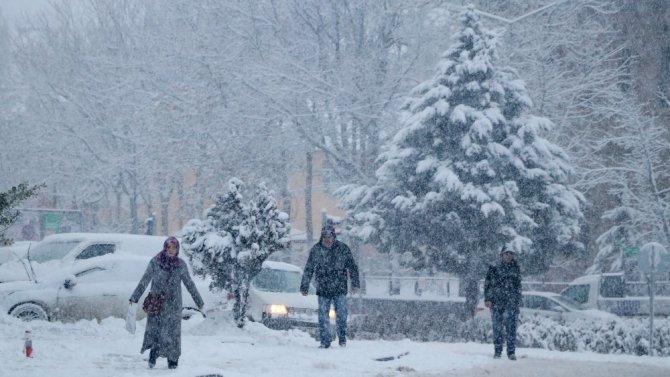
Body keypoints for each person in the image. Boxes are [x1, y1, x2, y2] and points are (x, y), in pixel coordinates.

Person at [129, 236, 204, 369]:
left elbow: (189, 284)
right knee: (155, 331)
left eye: (174, 247)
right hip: (157, 304)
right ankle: (153, 354)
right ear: (164, 248)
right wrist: (135, 297)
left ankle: (173, 360)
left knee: (173, 334)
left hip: (174, 306)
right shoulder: (155, 262)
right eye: (168, 247)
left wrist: (199, 301)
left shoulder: (181, 265)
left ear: (177, 249)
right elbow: (144, 280)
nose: (171, 250)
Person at [300, 224, 360, 348]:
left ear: (334, 237)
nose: (328, 239)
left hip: (340, 288)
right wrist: (304, 286)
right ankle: (325, 340)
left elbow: (352, 267)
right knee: (323, 316)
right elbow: (309, 268)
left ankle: (342, 336)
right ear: (322, 237)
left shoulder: (343, 248)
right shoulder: (316, 250)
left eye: (330, 236)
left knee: (342, 314)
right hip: (323, 288)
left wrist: (355, 284)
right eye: (325, 237)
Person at [484, 246, 522, 360]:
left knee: (511, 328)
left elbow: (518, 286)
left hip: (511, 302)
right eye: (507, 253)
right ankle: (497, 351)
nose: (509, 256)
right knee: (497, 328)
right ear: (502, 255)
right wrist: (488, 299)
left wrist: (517, 300)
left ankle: (511, 352)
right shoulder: (494, 268)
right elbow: (488, 284)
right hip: (496, 302)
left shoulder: (516, 267)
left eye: (511, 254)